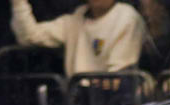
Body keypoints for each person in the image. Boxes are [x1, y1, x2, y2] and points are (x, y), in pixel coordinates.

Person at [9, 0, 148, 76]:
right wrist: (18, 3)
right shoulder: (75, 19)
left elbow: (116, 78)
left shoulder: (128, 18)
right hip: (76, 104)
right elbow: (28, 36)